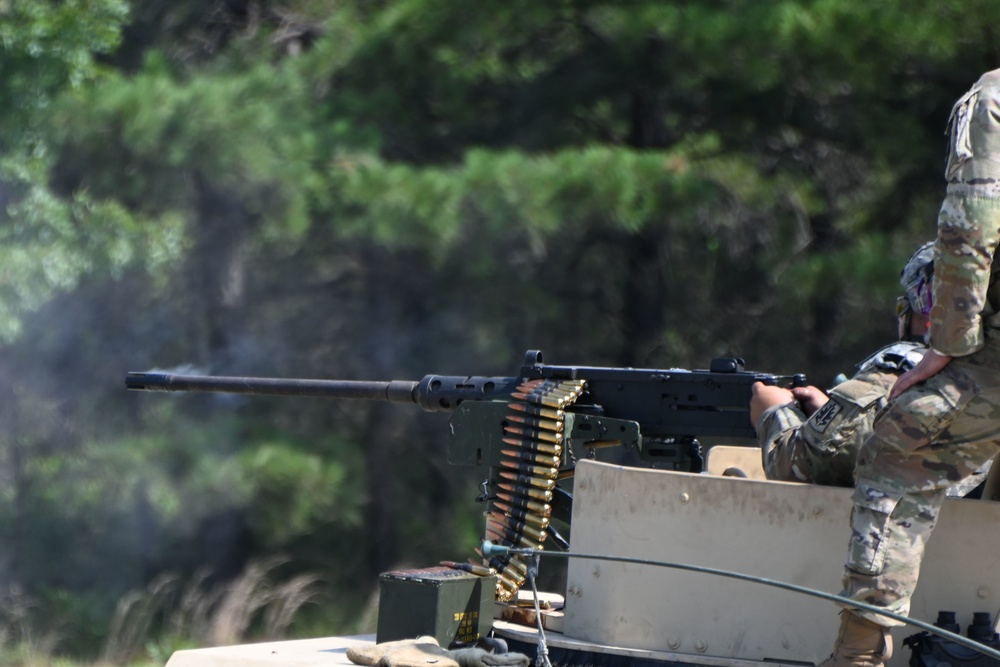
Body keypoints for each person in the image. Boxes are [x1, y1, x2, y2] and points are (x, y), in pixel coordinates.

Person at [818, 69, 1000, 667]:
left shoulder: (993, 99)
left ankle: (859, 655)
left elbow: (971, 221)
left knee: (900, 451)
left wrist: (948, 341)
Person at [749, 242, 933, 488]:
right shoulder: (983, 378)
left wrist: (773, 412)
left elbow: (793, 467)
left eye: (903, 307)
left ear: (931, 321)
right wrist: (833, 418)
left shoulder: (901, 377)